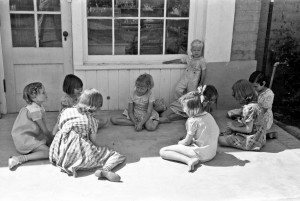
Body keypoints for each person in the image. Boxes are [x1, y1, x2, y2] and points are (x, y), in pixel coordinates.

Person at [49, 88, 126, 182]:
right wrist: (104, 147)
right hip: (75, 153)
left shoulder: (65, 111)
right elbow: (93, 142)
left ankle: (67, 159)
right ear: (96, 107)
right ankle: (104, 170)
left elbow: (58, 128)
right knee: (115, 155)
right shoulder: (92, 120)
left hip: (58, 151)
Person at [160, 91, 220, 172]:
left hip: (201, 155)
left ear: (193, 109)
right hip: (212, 152)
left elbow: (186, 143)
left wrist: (180, 143)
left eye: (185, 107)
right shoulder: (209, 116)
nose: (184, 110)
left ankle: (189, 160)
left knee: (163, 151)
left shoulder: (192, 121)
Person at [9, 82, 53, 170]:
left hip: (26, 137)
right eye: (43, 93)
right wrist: (52, 140)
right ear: (34, 96)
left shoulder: (35, 107)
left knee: (50, 140)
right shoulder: (34, 110)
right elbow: (44, 130)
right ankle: (19, 158)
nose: (46, 94)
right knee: (49, 152)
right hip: (25, 140)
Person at [219, 79, 266, 151]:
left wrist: (234, 128)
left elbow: (248, 129)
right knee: (229, 131)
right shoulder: (257, 105)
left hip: (251, 142)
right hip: (260, 139)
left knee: (221, 140)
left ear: (242, 94)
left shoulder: (249, 108)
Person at [249, 71, 276, 138]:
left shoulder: (269, 94)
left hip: (264, 117)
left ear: (263, 83)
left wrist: (252, 115)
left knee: (253, 128)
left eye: (255, 86)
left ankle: (264, 136)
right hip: (255, 114)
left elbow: (264, 110)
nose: (253, 88)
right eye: (252, 86)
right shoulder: (256, 91)